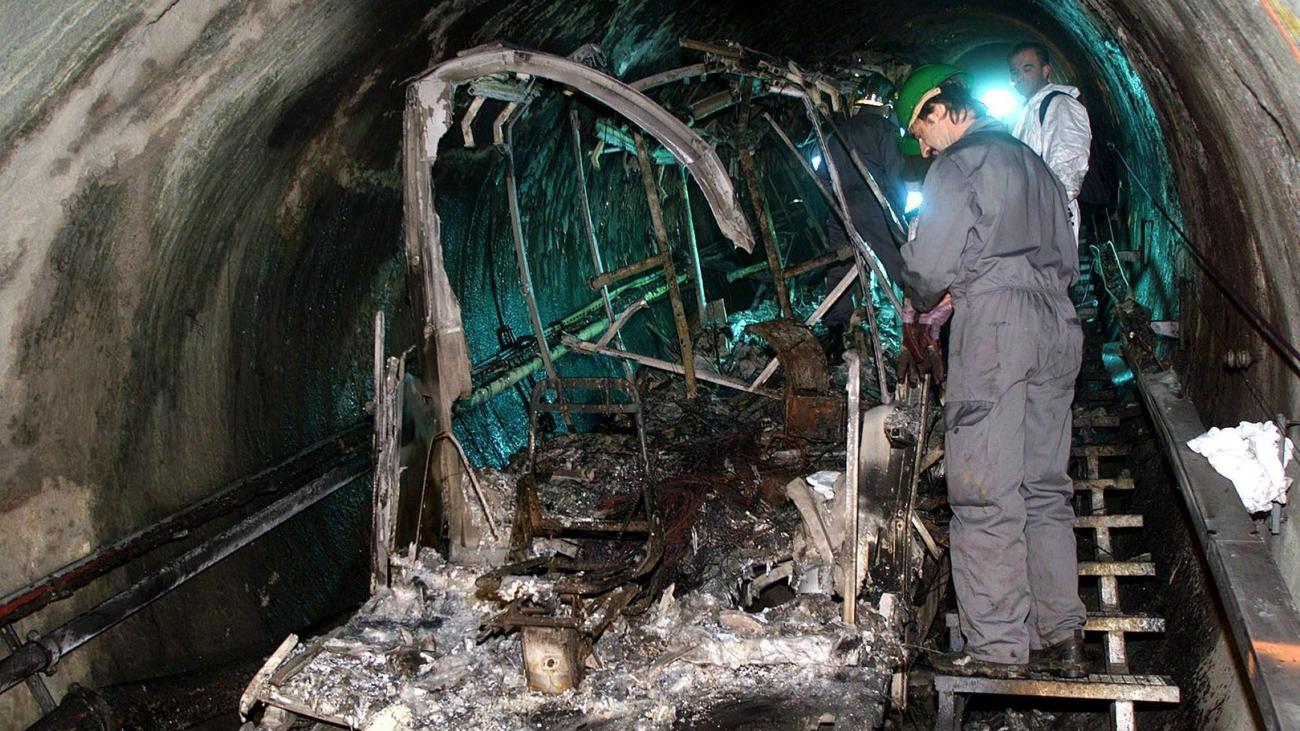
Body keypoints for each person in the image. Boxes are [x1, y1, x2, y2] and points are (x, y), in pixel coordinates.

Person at [894, 76, 1087, 678]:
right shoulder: (1036, 166)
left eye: (921, 130)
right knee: (1044, 487)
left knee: (984, 487)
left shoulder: (960, 164)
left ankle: (999, 647)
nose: (924, 147)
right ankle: (1061, 634)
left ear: (943, 109)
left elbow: (929, 268)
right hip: (1060, 324)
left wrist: (915, 293)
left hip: (1000, 328)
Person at [819, 75, 907, 362]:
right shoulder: (884, 129)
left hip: (841, 207)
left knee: (841, 266)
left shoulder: (836, 131)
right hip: (874, 204)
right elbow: (895, 174)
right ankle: (921, 322)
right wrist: (898, 210)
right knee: (902, 264)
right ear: (887, 105)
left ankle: (835, 333)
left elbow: (822, 176)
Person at [1009, 41, 1092, 242]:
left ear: (1045, 71)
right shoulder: (1026, 109)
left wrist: (1046, 213)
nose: (1019, 76)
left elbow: (1069, 166)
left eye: (1027, 68)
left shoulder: (1060, 105)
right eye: (1014, 72)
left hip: (1048, 218)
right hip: (1028, 216)